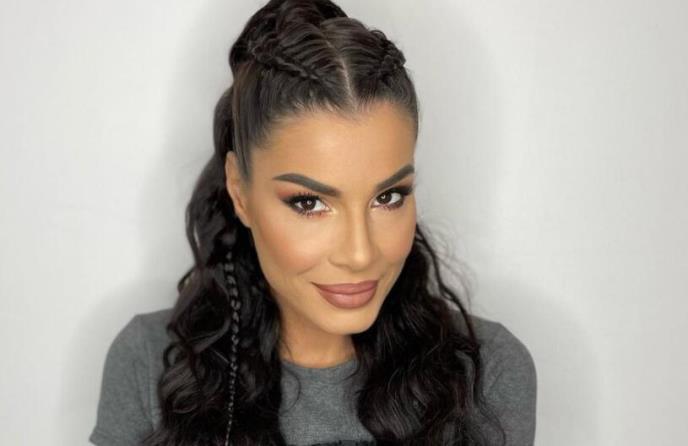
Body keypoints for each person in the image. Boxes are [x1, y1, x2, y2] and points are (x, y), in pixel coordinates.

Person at [89, 0, 537, 445]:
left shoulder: (485, 375)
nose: (359, 254)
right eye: (309, 203)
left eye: (388, 197)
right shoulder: (152, 365)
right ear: (240, 192)